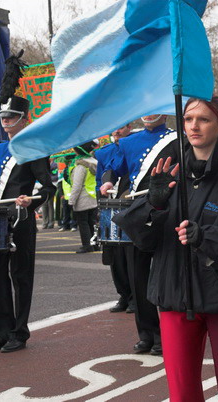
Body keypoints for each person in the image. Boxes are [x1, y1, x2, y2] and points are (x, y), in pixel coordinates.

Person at [114, 96, 218, 402]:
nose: (194, 126)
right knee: (182, 391)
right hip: (174, 297)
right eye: (188, 119)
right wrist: (153, 204)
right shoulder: (169, 173)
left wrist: (206, 238)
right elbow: (143, 239)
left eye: (203, 119)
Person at [0, 51, 56, 353]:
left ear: (23, 118)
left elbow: (48, 186)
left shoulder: (34, 148)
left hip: (22, 218)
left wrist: (32, 199)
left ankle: (20, 332)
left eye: (11, 117)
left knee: (20, 276)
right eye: (3, 117)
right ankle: (1, 331)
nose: (6, 122)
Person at [100, 114, 179, 356]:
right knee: (138, 276)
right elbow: (113, 168)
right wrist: (107, 182)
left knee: (168, 273)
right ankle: (148, 334)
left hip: (167, 212)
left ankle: (170, 333)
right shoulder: (127, 142)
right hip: (138, 213)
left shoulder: (178, 140)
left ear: (164, 113)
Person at [95, 123, 135, 313]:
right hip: (110, 207)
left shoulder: (135, 145)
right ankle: (124, 295)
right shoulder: (104, 153)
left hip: (130, 205)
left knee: (131, 254)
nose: (117, 131)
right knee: (114, 255)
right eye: (114, 128)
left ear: (129, 127)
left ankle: (136, 297)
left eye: (121, 127)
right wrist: (100, 204)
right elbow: (98, 181)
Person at [68, 141, 98, 253]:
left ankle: (87, 245)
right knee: (92, 222)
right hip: (93, 196)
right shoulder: (95, 162)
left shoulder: (81, 165)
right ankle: (94, 244)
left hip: (82, 198)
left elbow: (77, 186)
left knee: (83, 222)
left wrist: (71, 201)